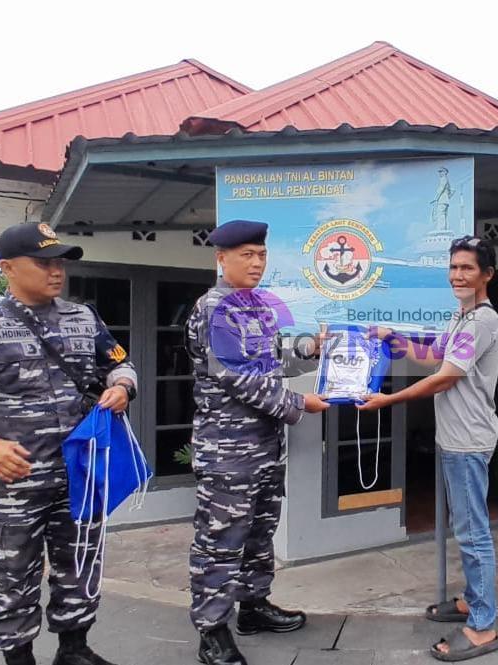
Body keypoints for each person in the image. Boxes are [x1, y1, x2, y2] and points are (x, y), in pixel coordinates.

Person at [0, 223, 137, 665]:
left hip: (80, 469)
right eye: (44, 262)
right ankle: (18, 656)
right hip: (18, 476)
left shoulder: (84, 318)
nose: (56, 271)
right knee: (12, 571)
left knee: (80, 563)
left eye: (59, 261)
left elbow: (121, 364)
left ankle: (74, 649)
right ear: (7, 267)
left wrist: (122, 388)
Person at [186, 219, 331, 665]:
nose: (256, 263)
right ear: (221, 258)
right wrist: (300, 402)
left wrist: (310, 348)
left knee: (258, 533)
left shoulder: (258, 306)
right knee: (221, 540)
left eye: (261, 255)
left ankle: (253, 607)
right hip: (228, 450)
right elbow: (236, 376)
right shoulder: (215, 308)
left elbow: (269, 356)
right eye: (246, 255)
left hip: (264, 446)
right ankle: (212, 631)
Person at [358, 235, 498, 662]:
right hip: (455, 439)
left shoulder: (481, 321)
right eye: (454, 267)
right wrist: (391, 336)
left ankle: (483, 625)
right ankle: (472, 602)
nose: (458, 275)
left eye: (468, 268)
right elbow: (432, 355)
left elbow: (445, 377)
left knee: (474, 534)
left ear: (487, 274)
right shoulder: (462, 318)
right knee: (467, 528)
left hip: (468, 441)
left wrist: (389, 399)